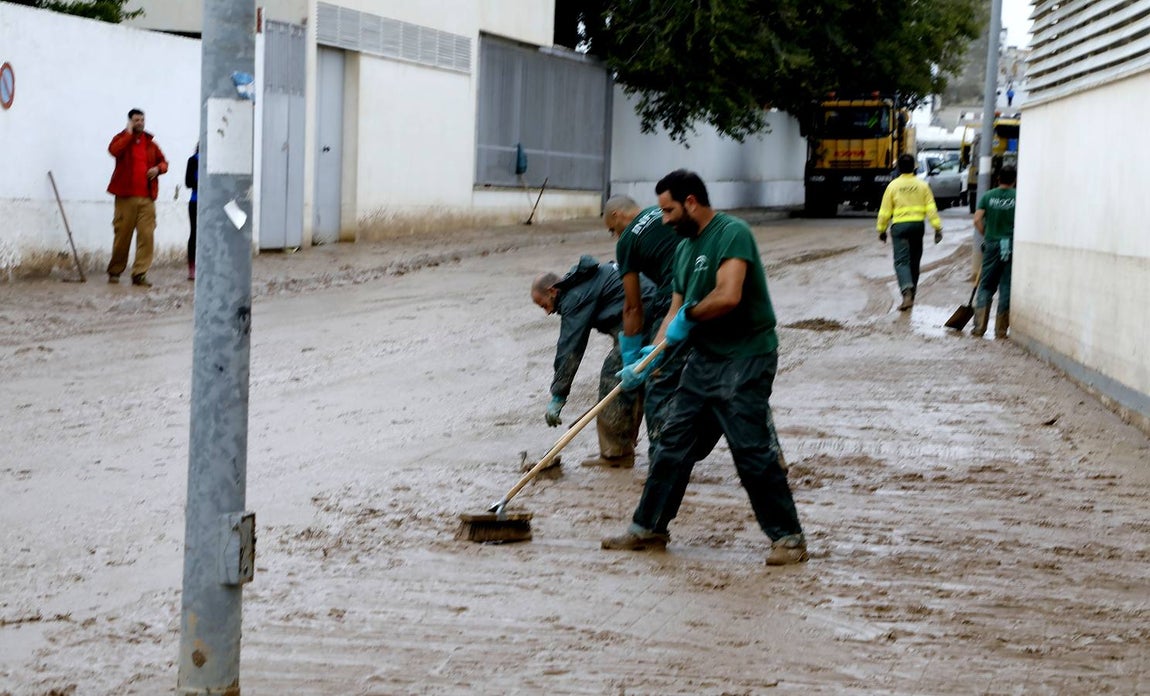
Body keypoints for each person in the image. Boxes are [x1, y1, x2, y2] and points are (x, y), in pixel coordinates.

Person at [601, 170, 807, 566]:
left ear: (691, 201)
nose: (663, 219)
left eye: (668, 210)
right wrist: (646, 359)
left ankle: (788, 539)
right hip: (705, 361)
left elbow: (727, 296)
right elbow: (674, 312)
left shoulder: (733, 233)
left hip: (746, 357)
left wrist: (689, 317)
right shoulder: (682, 249)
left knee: (750, 451)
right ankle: (649, 527)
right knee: (670, 445)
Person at [531, 256, 657, 468]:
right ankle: (628, 443)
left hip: (645, 313)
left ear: (552, 291)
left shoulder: (574, 296)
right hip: (651, 309)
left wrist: (559, 394)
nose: (548, 311)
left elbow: (570, 347)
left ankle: (616, 454)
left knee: (614, 376)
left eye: (544, 305)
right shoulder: (584, 283)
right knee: (637, 375)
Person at [604, 195, 685, 465]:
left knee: (658, 382)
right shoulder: (662, 214)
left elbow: (632, 307)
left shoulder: (627, 241)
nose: (614, 236)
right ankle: (770, 456)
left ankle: (663, 463)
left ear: (616, 214)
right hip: (709, 290)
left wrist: (631, 356)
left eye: (611, 230)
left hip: (674, 300)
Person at [106, 108, 168, 287]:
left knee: (146, 236)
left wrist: (158, 169)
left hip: (147, 198)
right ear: (130, 122)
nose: (140, 123)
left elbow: (164, 162)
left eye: (142, 120)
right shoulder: (122, 139)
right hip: (125, 197)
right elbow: (114, 150)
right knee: (122, 236)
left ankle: (140, 273)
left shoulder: (151, 144)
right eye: (136, 120)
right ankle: (115, 271)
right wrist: (128, 133)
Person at [876, 153, 943, 310]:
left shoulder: (893, 186)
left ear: (898, 168)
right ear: (914, 167)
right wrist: (937, 228)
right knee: (914, 261)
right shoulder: (922, 185)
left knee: (901, 261)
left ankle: (906, 292)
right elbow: (931, 208)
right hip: (917, 226)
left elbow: (885, 210)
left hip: (900, 227)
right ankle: (912, 295)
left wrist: (881, 229)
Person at [972, 165, 1017, 338]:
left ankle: (979, 328)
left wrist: (987, 234)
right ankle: (1000, 330)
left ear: (998, 179)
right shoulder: (1018, 197)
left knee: (986, 285)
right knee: (1006, 286)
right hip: (1010, 245)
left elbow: (977, 220)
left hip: (991, 244)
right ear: (1014, 180)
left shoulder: (988, 196)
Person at [185, 143, 198, 281]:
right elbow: (188, 182)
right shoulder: (193, 160)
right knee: (194, 234)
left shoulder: (215, 162)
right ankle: (192, 268)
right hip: (196, 202)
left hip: (213, 204)